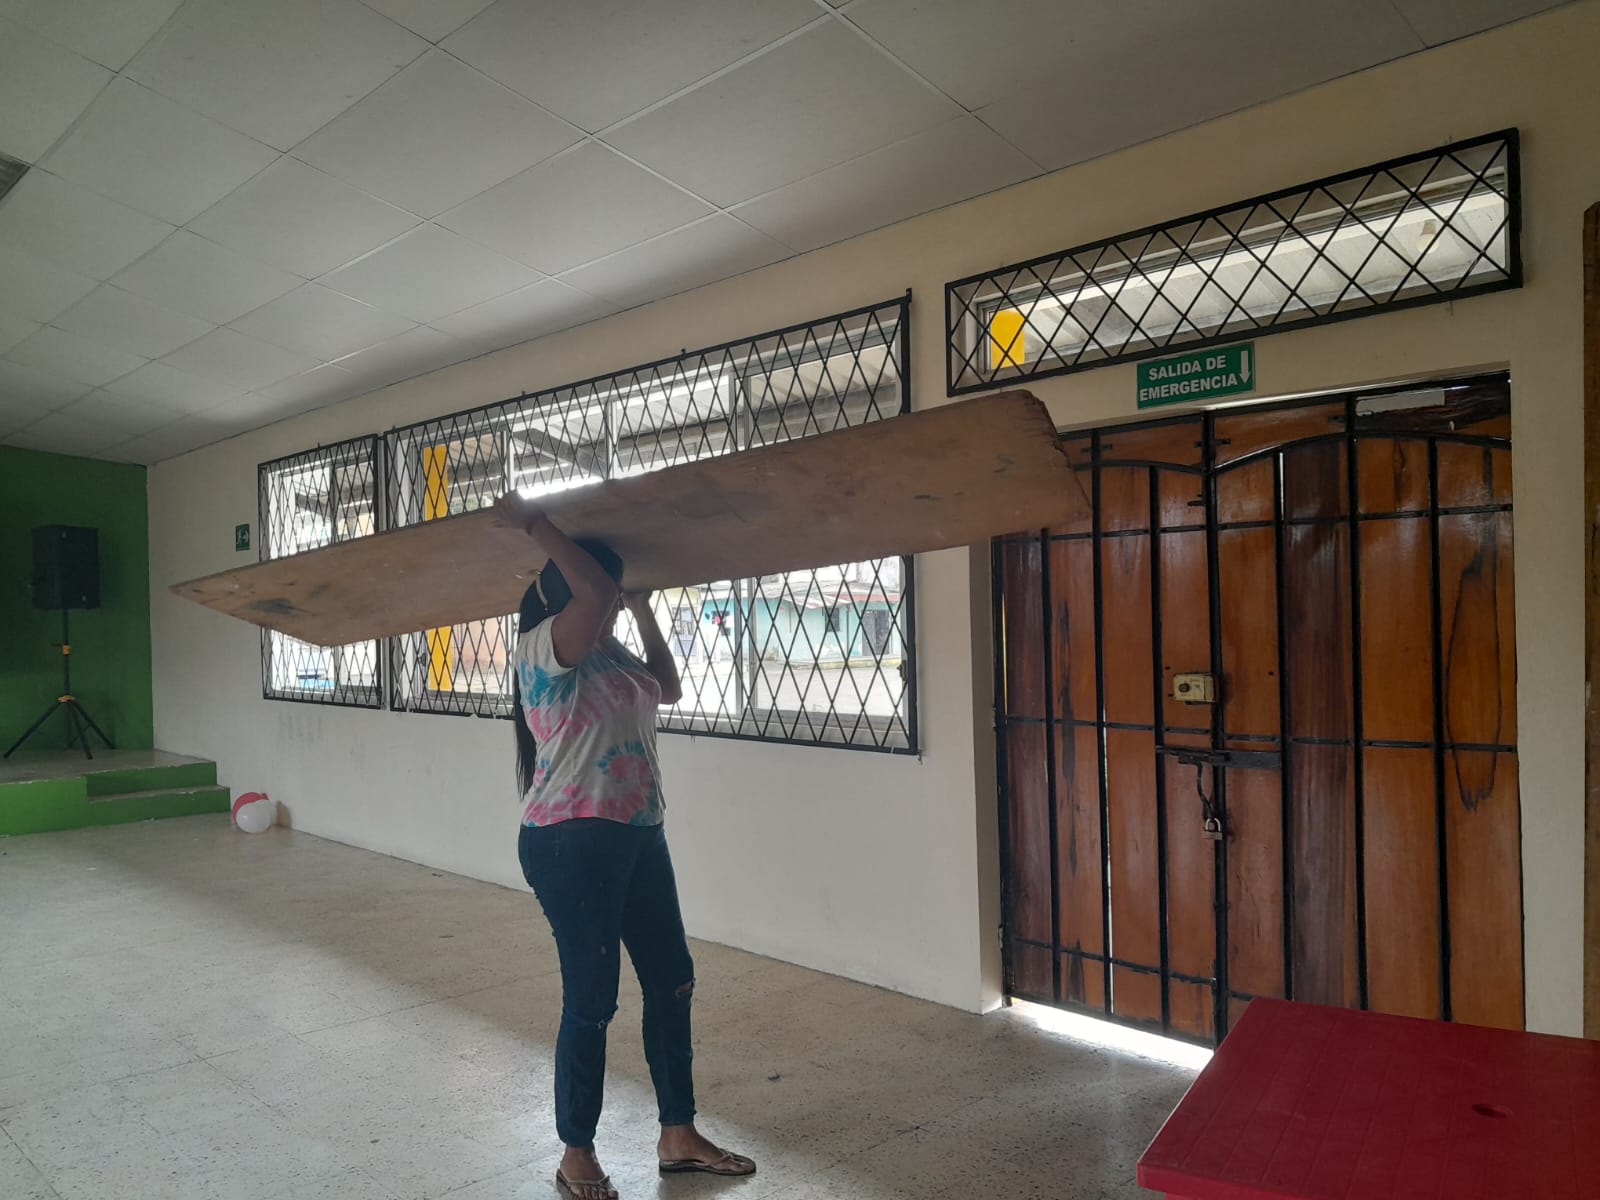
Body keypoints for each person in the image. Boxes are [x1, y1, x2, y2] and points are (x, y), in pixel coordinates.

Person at [494, 492, 756, 1200]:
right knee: (592, 998)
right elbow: (593, 590)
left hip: (640, 832)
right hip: (570, 841)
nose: (608, 601)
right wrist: (535, 524)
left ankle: (678, 1134)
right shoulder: (545, 646)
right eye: (603, 592)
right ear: (564, 588)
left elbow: (666, 688)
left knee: (673, 979)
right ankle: (576, 1151)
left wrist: (641, 611)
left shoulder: (606, 643)